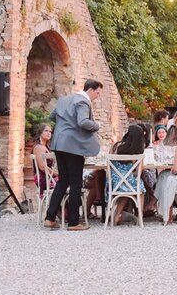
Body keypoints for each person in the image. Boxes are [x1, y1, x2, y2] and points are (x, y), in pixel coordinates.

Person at [43, 80, 103, 230]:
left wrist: (65, 123)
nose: (98, 96)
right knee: (76, 183)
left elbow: (52, 116)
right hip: (73, 145)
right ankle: (74, 222)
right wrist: (97, 125)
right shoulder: (83, 102)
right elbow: (83, 122)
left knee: (63, 181)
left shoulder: (64, 100)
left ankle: (50, 218)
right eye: (97, 92)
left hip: (58, 143)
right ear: (90, 89)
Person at [108, 125, 147, 225]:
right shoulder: (138, 151)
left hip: (114, 182)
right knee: (139, 188)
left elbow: (109, 165)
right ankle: (140, 217)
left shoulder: (115, 146)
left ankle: (117, 214)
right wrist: (131, 175)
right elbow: (139, 172)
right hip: (126, 183)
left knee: (125, 185)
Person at [31, 123, 57, 197]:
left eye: (50, 132)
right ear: (40, 132)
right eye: (46, 131)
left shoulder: (46, 147)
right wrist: (57, 174)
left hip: (49, 176)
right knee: (64, 184)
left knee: (67, 182)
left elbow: (50, 167)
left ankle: (64, 206)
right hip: (43, 178)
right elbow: (42, 166)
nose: (49, 133)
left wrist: (59, 173)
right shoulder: (39, 147)